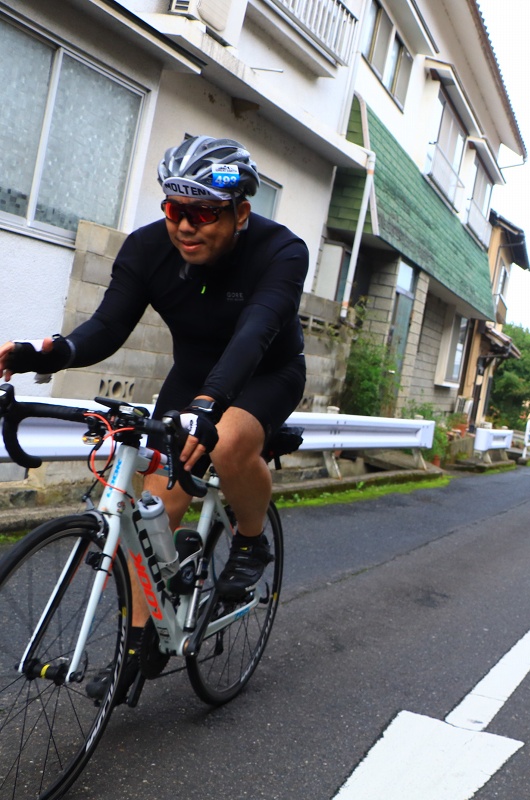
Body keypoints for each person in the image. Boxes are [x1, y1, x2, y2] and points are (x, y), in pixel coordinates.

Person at [0, 134, 308, 704]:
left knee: (227, 442)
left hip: (265, 372)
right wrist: (43, 354)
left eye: (202, 213)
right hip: (192, 379)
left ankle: (249, 540)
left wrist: (209, 407)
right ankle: (138, 648)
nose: (185, 226)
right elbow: (105, 329)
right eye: (173, 209)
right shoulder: (147, 250)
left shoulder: (281, 251)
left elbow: (254, 332)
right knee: (152, 512)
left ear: (241, 211)